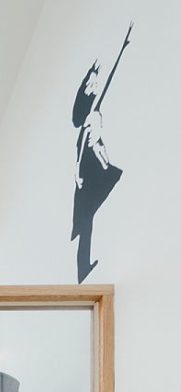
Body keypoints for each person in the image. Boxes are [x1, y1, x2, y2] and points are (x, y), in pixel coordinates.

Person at [72, 24, 132, 282]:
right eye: (90, 82)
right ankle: (82, 268)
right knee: (86, 221)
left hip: (89, 165)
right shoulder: (88, 117)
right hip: (87, 167)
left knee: (87, 221)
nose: (93, 84)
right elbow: (83, 145)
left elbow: (93, 144)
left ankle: (82, 268)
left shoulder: (92, 115)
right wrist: (78, 173)